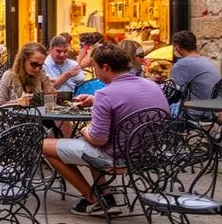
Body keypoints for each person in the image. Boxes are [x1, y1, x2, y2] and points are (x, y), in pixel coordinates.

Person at [42, 43, 169, 216]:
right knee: (96, 142)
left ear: (105, 67)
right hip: (148, 153)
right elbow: (128, 102)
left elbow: (97, 139)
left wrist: (85, 130)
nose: (94, 71)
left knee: (43, 145)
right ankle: (106, 195)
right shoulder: (152, 86)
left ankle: (93, 199)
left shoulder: (106, 94)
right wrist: (95, 100)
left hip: (116, 157)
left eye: (94, 67)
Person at [170, 30, 221, 117]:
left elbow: (173, 92)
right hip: (212, 111)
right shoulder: (206, 61)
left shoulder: (182, 64)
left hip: (196, 112)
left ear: (177, 47)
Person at [0, 42, 56, 107]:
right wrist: (17, 103)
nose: (37, 69)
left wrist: (50, 94)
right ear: (22, 60)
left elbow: (50, 101)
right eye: (34, 64)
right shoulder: (9, 76)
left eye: (41, 65)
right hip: (14, 116)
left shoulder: (40, 73)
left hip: (36, 115)